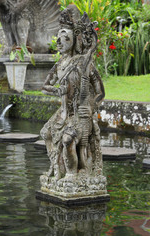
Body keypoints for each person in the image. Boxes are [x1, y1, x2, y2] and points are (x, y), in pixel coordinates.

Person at [40, 5, 105, 179]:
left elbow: (100, 92)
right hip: (63, 112)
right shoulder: (59, 65)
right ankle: (57, 167)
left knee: (68, 139)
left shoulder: (84, 63)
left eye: (65, 38)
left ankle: (71, 174)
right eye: (58, 38)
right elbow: (45, 86)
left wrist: (91, 106)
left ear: (75, 40)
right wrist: (56, 91)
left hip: (79, 112)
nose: (59, 42)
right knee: (45, 133)